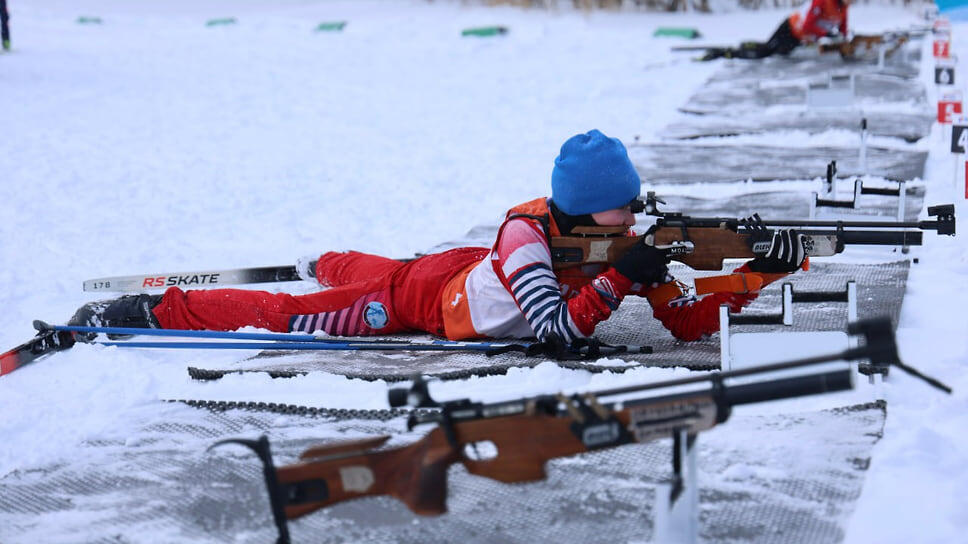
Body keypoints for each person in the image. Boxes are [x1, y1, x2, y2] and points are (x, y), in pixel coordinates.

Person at [69, 129, 806, 345]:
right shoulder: (528, 240)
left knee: (381, 267)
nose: (635, 219)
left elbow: (685, 323)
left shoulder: (616, 240)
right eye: (623, 209)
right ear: (587, 209)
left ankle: (323, 258)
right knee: (303, 312)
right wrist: (625, 277)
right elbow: (554, 330)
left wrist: (759, 273)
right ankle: (153, 310)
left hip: (460, 270)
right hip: (432, 303)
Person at [701, 0, 849, 61]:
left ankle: (747, 47)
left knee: (780, 56)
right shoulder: (823, 2)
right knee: (766, 52)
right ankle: (730, 52)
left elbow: (843, 25)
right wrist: (827, 34)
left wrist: (843, 36)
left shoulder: (843, 7)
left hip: (801, 38)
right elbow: (807, 26)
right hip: (790, 29)